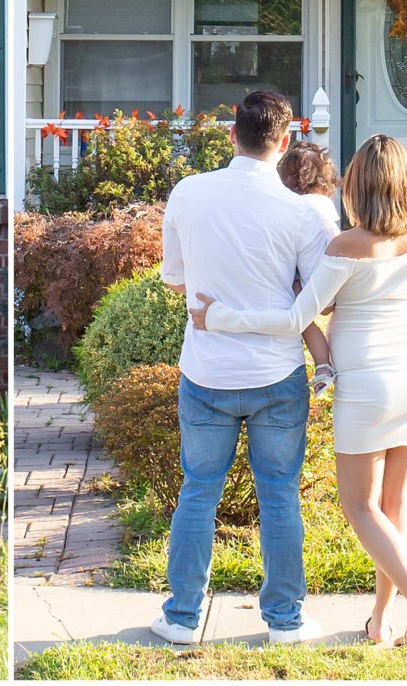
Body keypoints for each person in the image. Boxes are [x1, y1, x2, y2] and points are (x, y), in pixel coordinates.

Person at [188, 134, 407, 647]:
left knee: (360, 506)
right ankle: (382, 621)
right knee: (396, 505)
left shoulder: (346, 246)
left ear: (356, 186)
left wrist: (219, 317)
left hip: (368, 385)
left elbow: (293, 319)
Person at [151, 90, 333, 646]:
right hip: (277, 373)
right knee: (279, 493)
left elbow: (175, 279)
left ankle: (182, 617)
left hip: (206, 372)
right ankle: (285, 621)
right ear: (283, 143)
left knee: (198, 491)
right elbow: (320, 298)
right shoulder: (301, 212)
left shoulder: (187, 193)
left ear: (232, 134)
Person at [277, 141, 342, 398]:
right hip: (332, 278)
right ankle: (324, 365)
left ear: (291, 179)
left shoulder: (301, 206)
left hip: (318, 284)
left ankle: (323, 364)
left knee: (287, 292)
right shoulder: (324, 204)